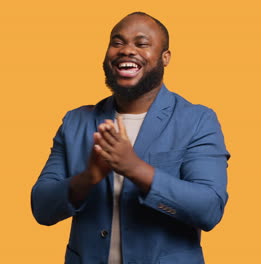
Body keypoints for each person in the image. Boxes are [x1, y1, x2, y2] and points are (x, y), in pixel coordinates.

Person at [31, 11, 230, 264]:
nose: (127, 50)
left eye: (142, 43)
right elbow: (42, 208)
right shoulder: (75, 122)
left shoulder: (197, 120)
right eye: (117, 42)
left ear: (165, 57)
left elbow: (209, 210)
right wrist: (89, 177)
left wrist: (135, 168)